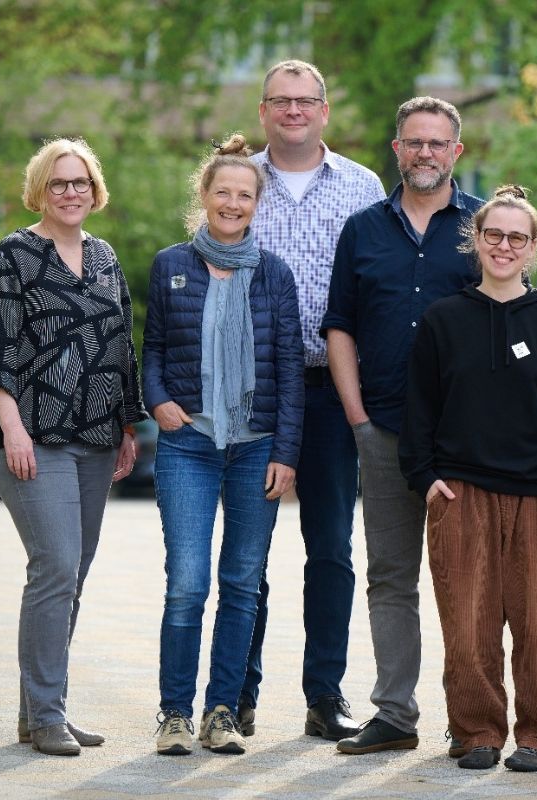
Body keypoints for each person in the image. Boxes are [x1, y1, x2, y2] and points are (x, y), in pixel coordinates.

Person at [399, 186, 537, 773]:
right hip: (462, 492)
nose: (504, 246)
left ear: (533, 248)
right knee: (469, 623)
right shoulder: (443, 319)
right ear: (476, 242)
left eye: (517, 237)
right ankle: (477, 732)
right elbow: (420, 408)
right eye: (493, 235)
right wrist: (425, 475)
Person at [0, 137, 145, 756]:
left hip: (96, 438)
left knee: (73, 574)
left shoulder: (103, 258)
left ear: (95, 191)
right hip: (30, 438)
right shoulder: (13, 255)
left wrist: (127, 426)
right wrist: (13, 430)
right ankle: (46, 715)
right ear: (39, 190)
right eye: (59, 183)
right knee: (56, 567)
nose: (71, 193)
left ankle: (41, 710)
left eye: (81, 183)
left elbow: (122, 345)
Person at [320, 96, 483, 755]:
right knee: (391, 575)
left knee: (469, 581)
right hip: (384, 430)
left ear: (456, 152)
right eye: (413, 142)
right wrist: (357, 418)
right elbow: (339, 328)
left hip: (464, 442)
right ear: (396, 149)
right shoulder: (362, 230)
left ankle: (473, 722)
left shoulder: (482, 226)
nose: (424, 153)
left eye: (436, 143)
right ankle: (394, 714)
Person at [144, 134, 305, 756]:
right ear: (204, 197)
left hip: (257, 447)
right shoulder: (170, 264)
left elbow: (290, 368)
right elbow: (152, 348)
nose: (233, 203)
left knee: (242, 581)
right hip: (189, 443)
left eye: (244, 194)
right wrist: (156, 400)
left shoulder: (274, 274)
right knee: (187, 582)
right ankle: (175, 715)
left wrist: (286, 454)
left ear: (255, 204)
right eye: (223, 192)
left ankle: (221, 712)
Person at [243, 59, 386, 742]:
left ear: (324, 110)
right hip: (255, 389)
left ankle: (325, 695)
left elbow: (375, 291)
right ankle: (234, 692)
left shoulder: (362, 187)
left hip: (333, 389)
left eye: (306, 101)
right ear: (264, 110)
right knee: (249, 547)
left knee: (329, 547)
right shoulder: (239, 179)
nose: (294, 111)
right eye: (280, 100)